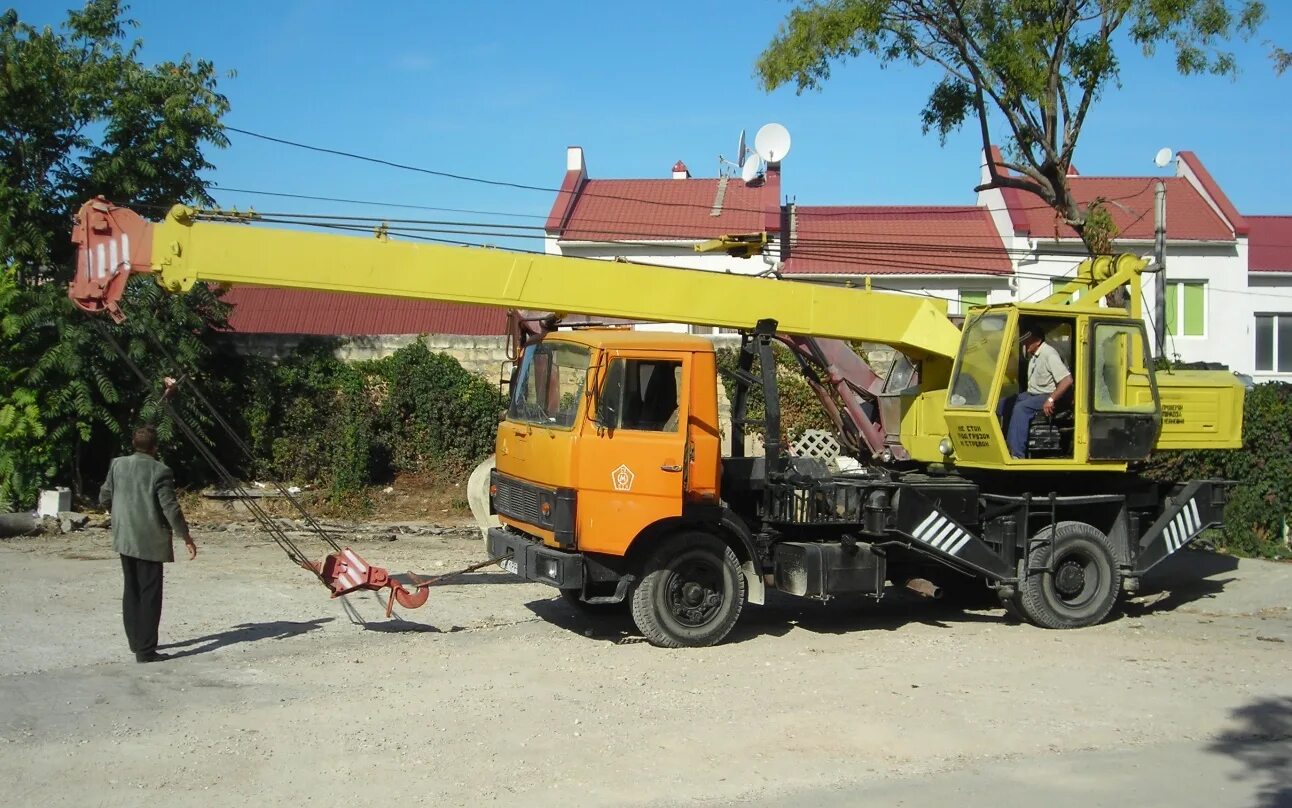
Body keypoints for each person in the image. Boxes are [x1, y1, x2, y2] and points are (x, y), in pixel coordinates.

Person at [99, 425, 197, 663]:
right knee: (150, 593)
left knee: (131, 589)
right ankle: (146, 651)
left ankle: (135, 642)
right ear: (155, 448)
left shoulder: (117, 464)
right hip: (149, 540)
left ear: (134, 444)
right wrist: (186, 536)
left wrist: (117, 513)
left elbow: (104, 496)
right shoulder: (160, 471)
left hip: (124, 537)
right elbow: (170, 508)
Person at [997, 325, 1073, 459]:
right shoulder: (1033, 355)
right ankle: (1003, 445)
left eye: (1027, 341)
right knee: (1003, 404)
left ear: (1037, 341)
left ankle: (1017, 454)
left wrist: (1051, 399)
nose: (1024, 344)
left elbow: (1067, 380)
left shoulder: (1049, 354)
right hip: (1033, 393)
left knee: (1021, 409)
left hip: (1047, 395)